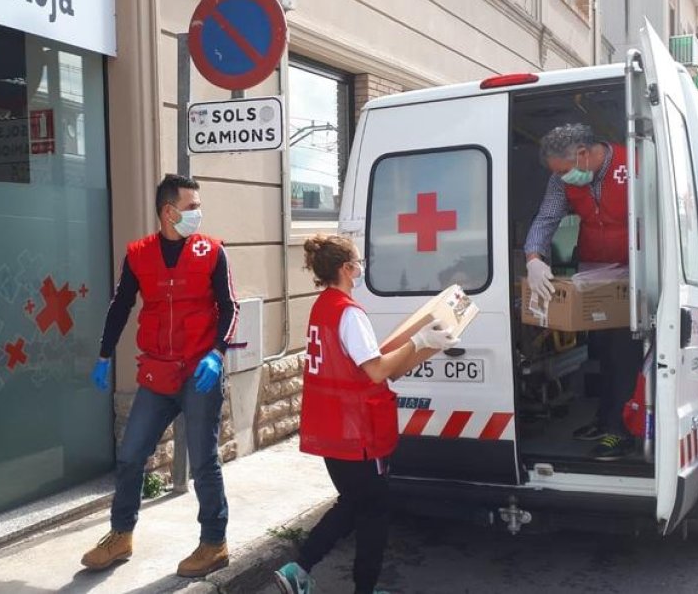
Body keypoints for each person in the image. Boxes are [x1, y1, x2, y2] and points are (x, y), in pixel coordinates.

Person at [274, 235, 459, 594]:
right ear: (346, 269)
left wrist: (426, 348)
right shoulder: (349, 312)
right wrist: (418, 342)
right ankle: (305, 568)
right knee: (370, 509)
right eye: (358, 262)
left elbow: (381, 368)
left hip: (332, 428)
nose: (361, 268)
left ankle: (319, 573)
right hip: (357, 432)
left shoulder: (324, 307)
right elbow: (376, 372)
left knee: (359, 505)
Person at [81, 174, 238, 578]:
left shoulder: (213, 252)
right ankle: (120, 535)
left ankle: (214, 542)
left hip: (199, 372)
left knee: (204, 460)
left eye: (198, 206)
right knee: (131, 455)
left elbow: (229, 307)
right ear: (168, 212)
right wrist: (103, 355)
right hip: (157, 373)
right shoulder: (138, 254)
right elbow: (121, 306)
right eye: (190, 207)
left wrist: (217, 355)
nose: (197, 214)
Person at [523, 123, 644, 461]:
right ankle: (605, 419)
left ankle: (622, 431)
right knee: (601, 352)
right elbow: (546, 219)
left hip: (633, 272)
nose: (562, 179)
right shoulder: (561, 179)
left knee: (624, 353)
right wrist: (533, 258)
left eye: (564, 171)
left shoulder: (634, 164)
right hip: (593, 269)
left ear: (582, 154)